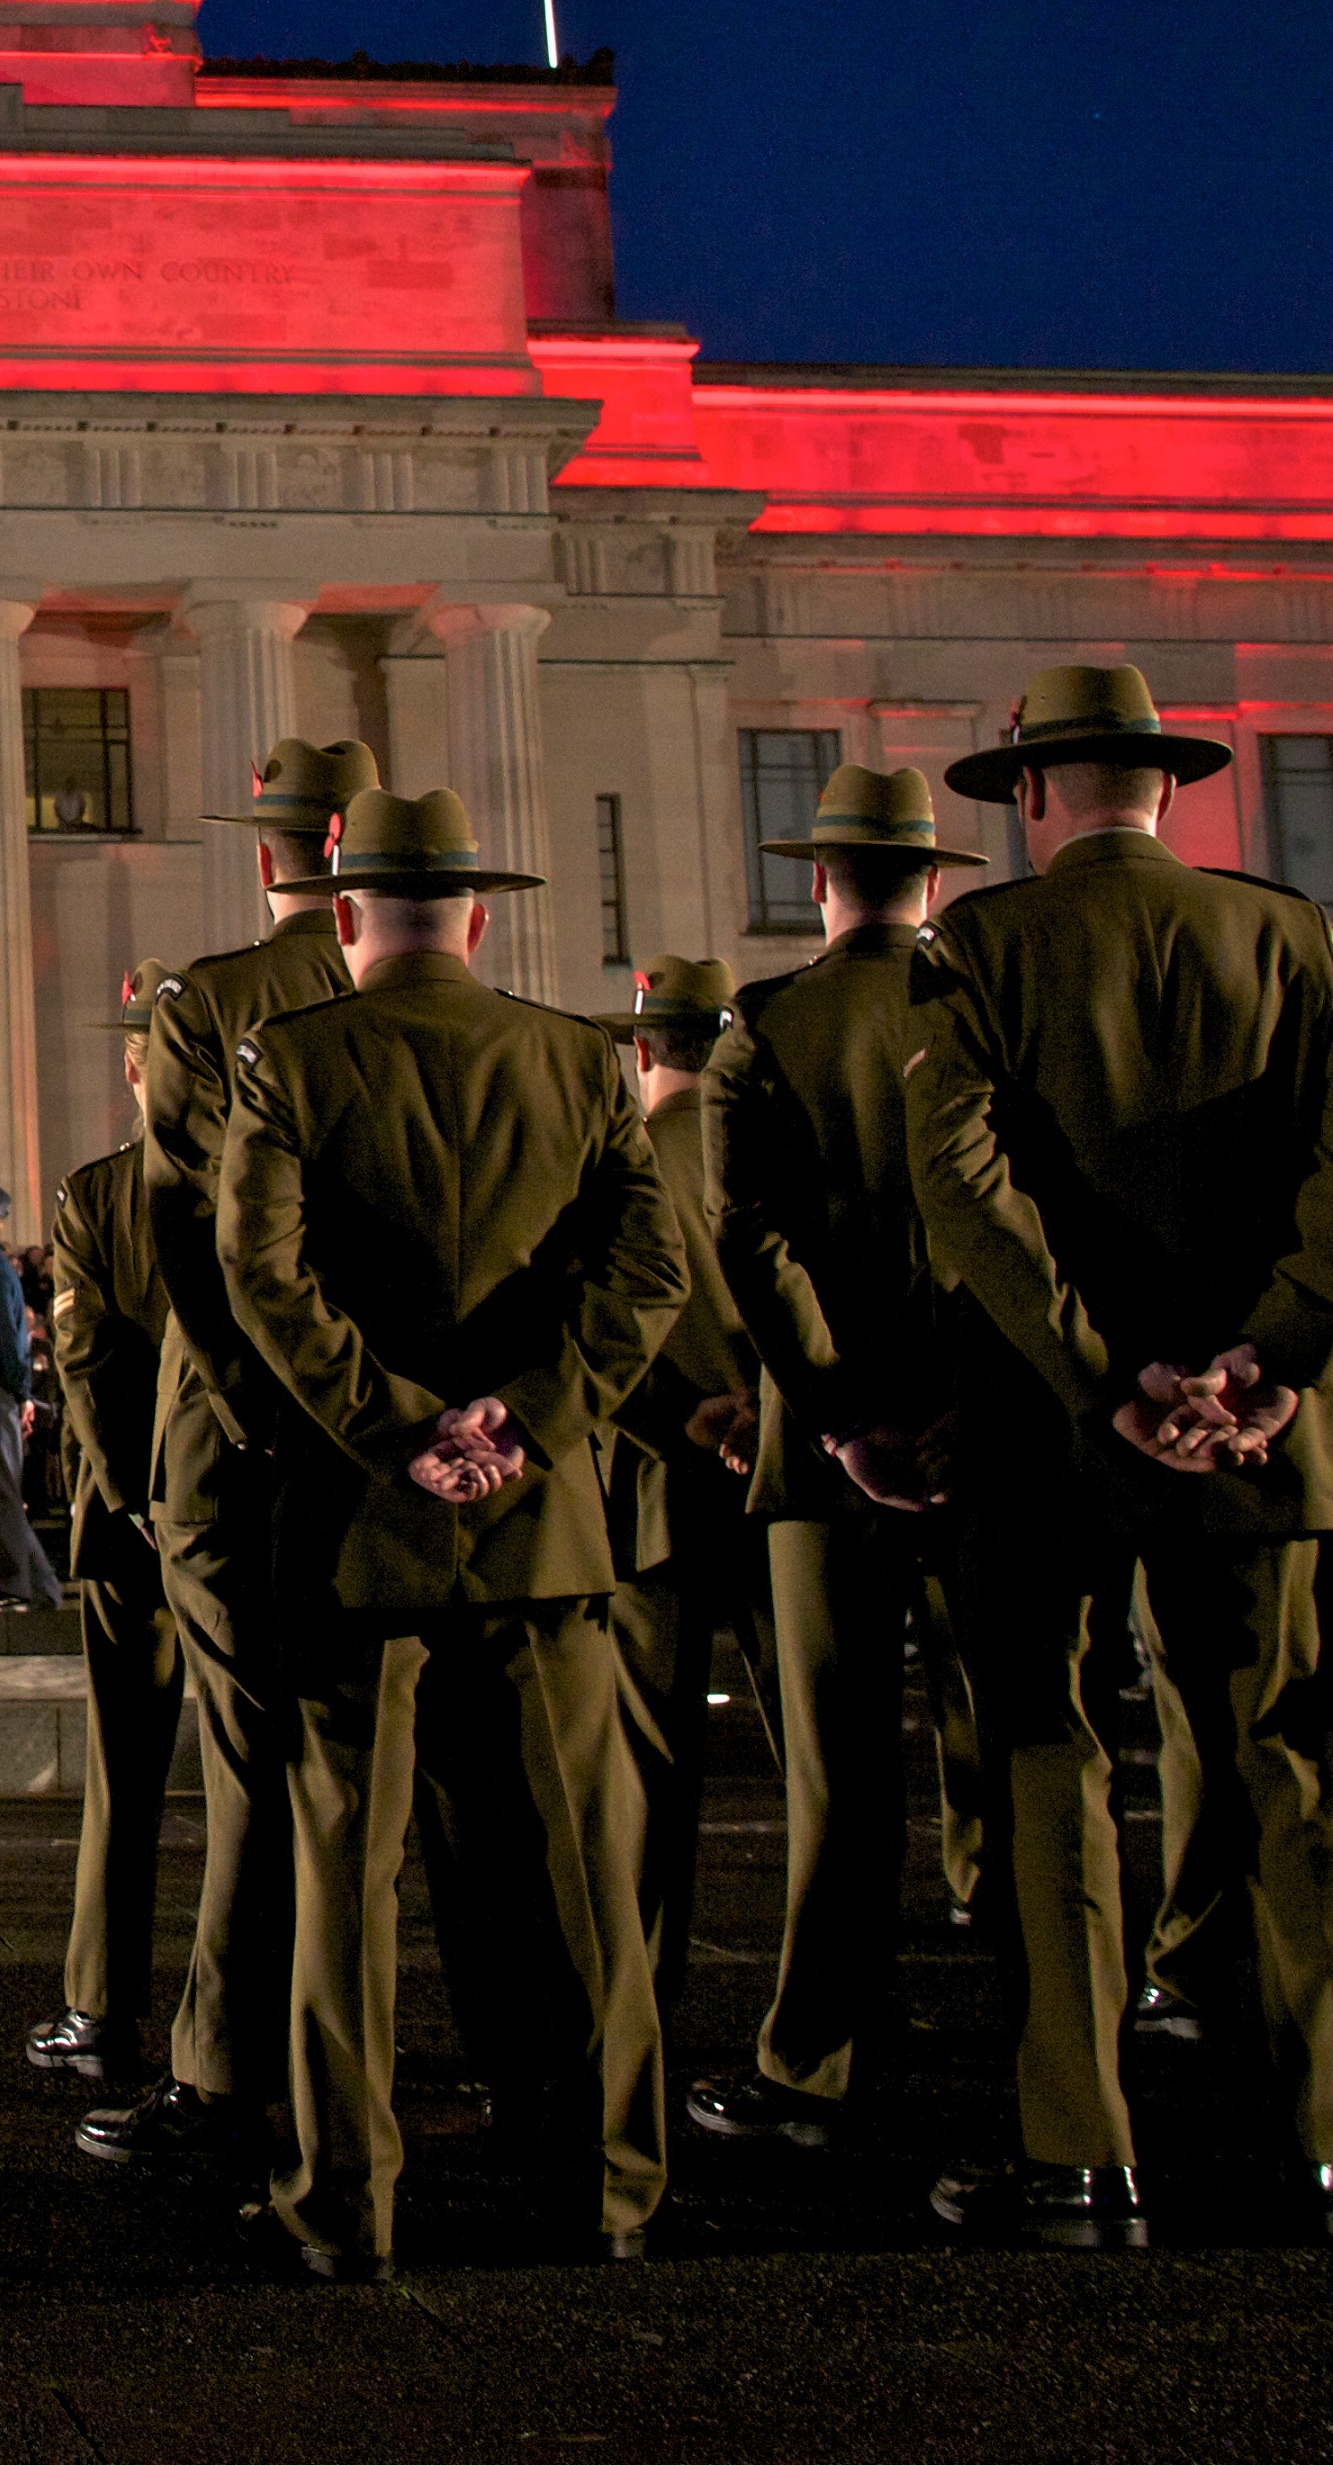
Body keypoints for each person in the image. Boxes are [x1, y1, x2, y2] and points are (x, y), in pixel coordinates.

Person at [902, 662, 1333, 2250]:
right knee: (1288, 1769)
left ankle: (1082, 2154)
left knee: (1055, 1766)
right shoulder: (1287, 937)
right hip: (1258, 1430)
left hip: (1057, 1437)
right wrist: (1270, 1355)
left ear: (1038, 795)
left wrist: (1097, 1373)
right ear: (1159, 790)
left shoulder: (983, 945)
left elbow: (959, 1184)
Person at [223, 784, 686, 2273]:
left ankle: (342, 2200)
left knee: (343, 1887)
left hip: (357, 1528)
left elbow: (263, 1278)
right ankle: (602, 2185)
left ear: (343, 913)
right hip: (538, 1528)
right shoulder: (574, 1061)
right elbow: (644, 1273)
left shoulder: (287, 1061)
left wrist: (392, 1428)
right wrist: (526, 1421)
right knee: (568, 1876)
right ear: (476, 915)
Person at [83, 735, 382, 2178]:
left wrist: (262, 1407)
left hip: (239, 1437)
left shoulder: (210, 1001)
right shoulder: (403, 996)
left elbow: (184, 1241)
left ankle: (219, 2073)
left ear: (267, 856)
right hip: (392, 1436)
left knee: (252, 1763)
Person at [683, 763, 994, 2151]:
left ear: (815, 879)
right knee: (1025, 1752)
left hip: (827, 1461)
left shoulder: (773, 1024)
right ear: (933, 880)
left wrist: (838, 1415)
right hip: (986, 1441)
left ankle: (821, 2049)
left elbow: (753, 1239)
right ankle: (1053, 2043)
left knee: (839, 1771)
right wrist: (963, 1405)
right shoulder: (982, 1015)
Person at [593, 954, 765, 2169]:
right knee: (823, 1758)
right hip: (793, 1476)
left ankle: (636, 1996)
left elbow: (609, 1316)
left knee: (644, 1774)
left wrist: (679, 1415)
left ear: (643, 1051)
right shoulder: (767, 1139)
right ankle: (824, 2016)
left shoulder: (625, 1156)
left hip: (658, 1484)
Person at [29, 963, 187, 2083]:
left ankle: (100, 2004)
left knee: (124, 1770)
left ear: (130, 1067)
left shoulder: (97, 1196)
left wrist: (134, 1496)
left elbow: (85, 1364)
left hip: (133, 1521)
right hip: (240, 1520)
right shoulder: (257, 1187)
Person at [0, 1181, 65, 1611]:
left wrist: (21, 1395)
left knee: (2, 1491)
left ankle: (16, 1585)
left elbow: (7, 1342)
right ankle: (43, 1588)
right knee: (2, 1489)